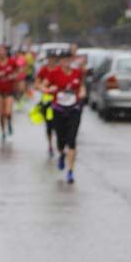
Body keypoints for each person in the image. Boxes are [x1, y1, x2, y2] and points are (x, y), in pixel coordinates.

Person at [44, 51, 86, 184]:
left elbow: (82, 87)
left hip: (74, 109)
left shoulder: (77, 73)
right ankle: (62, 154)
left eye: (68, 59)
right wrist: (48, 90)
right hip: (59, 110)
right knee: (61, 141)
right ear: (60, 61)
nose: (66, 62)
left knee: (72, 140)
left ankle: (70, 171)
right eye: (64, 60)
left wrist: (82, 93)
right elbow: (41, 85)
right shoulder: (54, 73)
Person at [0, 45, 19, 141]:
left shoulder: (12, 62)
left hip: (9, 91)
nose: (1, 52)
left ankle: (9, 123)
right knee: (1, 114)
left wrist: (13, 76)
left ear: (6, 52)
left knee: (8, 112)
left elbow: (18, 72)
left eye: (3, 50)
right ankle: (3, 132)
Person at [34, 51, 59, 157]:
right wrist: (44, 89)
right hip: (47, 100)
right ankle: (50, 145)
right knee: (49, 124)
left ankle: (60, 143)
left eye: (53, 58)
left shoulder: (60, 70)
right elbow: (36, 85)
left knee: (59, 124)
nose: (51, 60)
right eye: (50, 58)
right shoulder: (43, 70)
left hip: (60, 101)